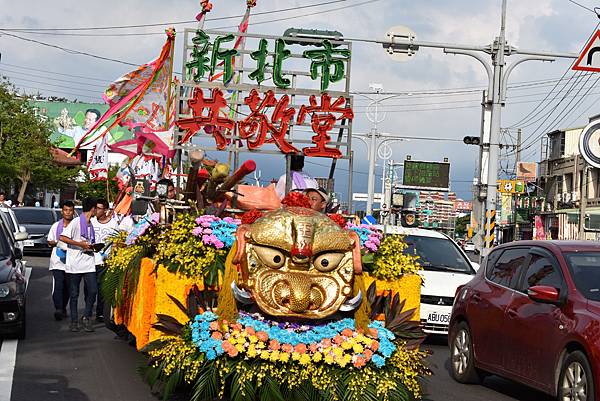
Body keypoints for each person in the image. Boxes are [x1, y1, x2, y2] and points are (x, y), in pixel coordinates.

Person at [60, 197, 97, 333]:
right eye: (96, 208)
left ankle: (86, 316)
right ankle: (74, 321)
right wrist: (80, 244)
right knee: (74, 294)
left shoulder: (91, 224)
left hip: (88, 262)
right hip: (74, 264)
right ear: (92, 209)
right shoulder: (76, 222)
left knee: (93, 290)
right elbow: (62, 237)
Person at [90, 198, 119, 323]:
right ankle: (88, 310)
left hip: (105, 260)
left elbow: (117, 241)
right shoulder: (90, 222)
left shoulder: (113, 224)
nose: (96, 210)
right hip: (90, 260)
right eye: (95, 208)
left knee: (102, 287)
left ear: (106, 210)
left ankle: (100, 313)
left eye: (99, 208)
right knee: (91, 288)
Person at [47, 200, 75, 321]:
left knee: (68, 287)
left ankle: (63, 307)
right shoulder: (56, 226)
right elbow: (49, 241)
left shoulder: (77, 226)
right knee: (58, 285)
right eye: (66, 210)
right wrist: (58, 243)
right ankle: (58, 308)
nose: (68, 213)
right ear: (62, 211)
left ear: (73, 212)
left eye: (70, 210)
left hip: (72, 262)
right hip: (57, 261)